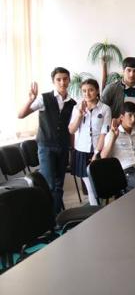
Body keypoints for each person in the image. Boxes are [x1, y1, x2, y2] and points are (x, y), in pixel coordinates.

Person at [18, 67, 76, 213]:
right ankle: (47, 217)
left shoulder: (73, 103)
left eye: (65, 79)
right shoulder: (44, 99)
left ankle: (56, 217)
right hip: (46, 147)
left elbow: (72, 129)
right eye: (58, 79)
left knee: (59, 185)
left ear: (69, 80)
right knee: (49, 184)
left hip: (63, 147)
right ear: (53, 81)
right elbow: (21, 115)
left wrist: (72, 149)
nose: (62, 82)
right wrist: (30, 100)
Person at [68, 79, 112, 206]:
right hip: (82, 151)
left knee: (99, 185)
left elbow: (104, 133)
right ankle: (96, 210)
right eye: (84, 91)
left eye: (91, 90)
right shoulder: (77, 108)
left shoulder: (105, 109)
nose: (87, 94)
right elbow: (71, 130)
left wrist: (96, 153)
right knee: (90, 186)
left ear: (97, 91)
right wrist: (80, 115)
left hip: (98, 151)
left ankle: (98, 208)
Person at [100, 102, 135, 191]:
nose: (133, 119)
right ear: (122, 117)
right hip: (126, 172)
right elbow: (103, 157)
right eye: (130, 115)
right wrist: (113, 138)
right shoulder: (112, 134)